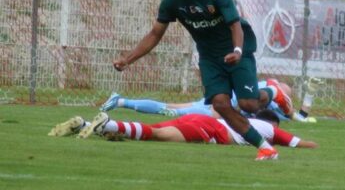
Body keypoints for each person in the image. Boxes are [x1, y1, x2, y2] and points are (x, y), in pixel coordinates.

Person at [112, 0, 292, 159]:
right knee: (220, 104)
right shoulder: (171, 1)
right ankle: (265, 148)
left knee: (248, 104)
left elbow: (235, 25)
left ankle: (274, 92)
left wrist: (237, 51)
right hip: (209, 58)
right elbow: (155, 34)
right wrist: (128, 59)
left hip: (237, 51)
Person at [48, 109, 318, 158]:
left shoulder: (246, 119)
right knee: (157, 136)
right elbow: (296, 142)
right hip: (209, 129)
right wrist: (315, 146)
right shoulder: (269, 129)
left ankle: (85, 124)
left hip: (200, 119)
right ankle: (107, 124)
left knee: (152, 131)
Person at [99, 77, 322, 123]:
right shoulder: (272, 93)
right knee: (172, 111)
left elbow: (299, 117)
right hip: (218, 108)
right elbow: (298, 117)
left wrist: (310, 93)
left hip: (217, 101)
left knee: (172, 108)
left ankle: (120, 101)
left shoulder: (272, 100)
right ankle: (121, 102)